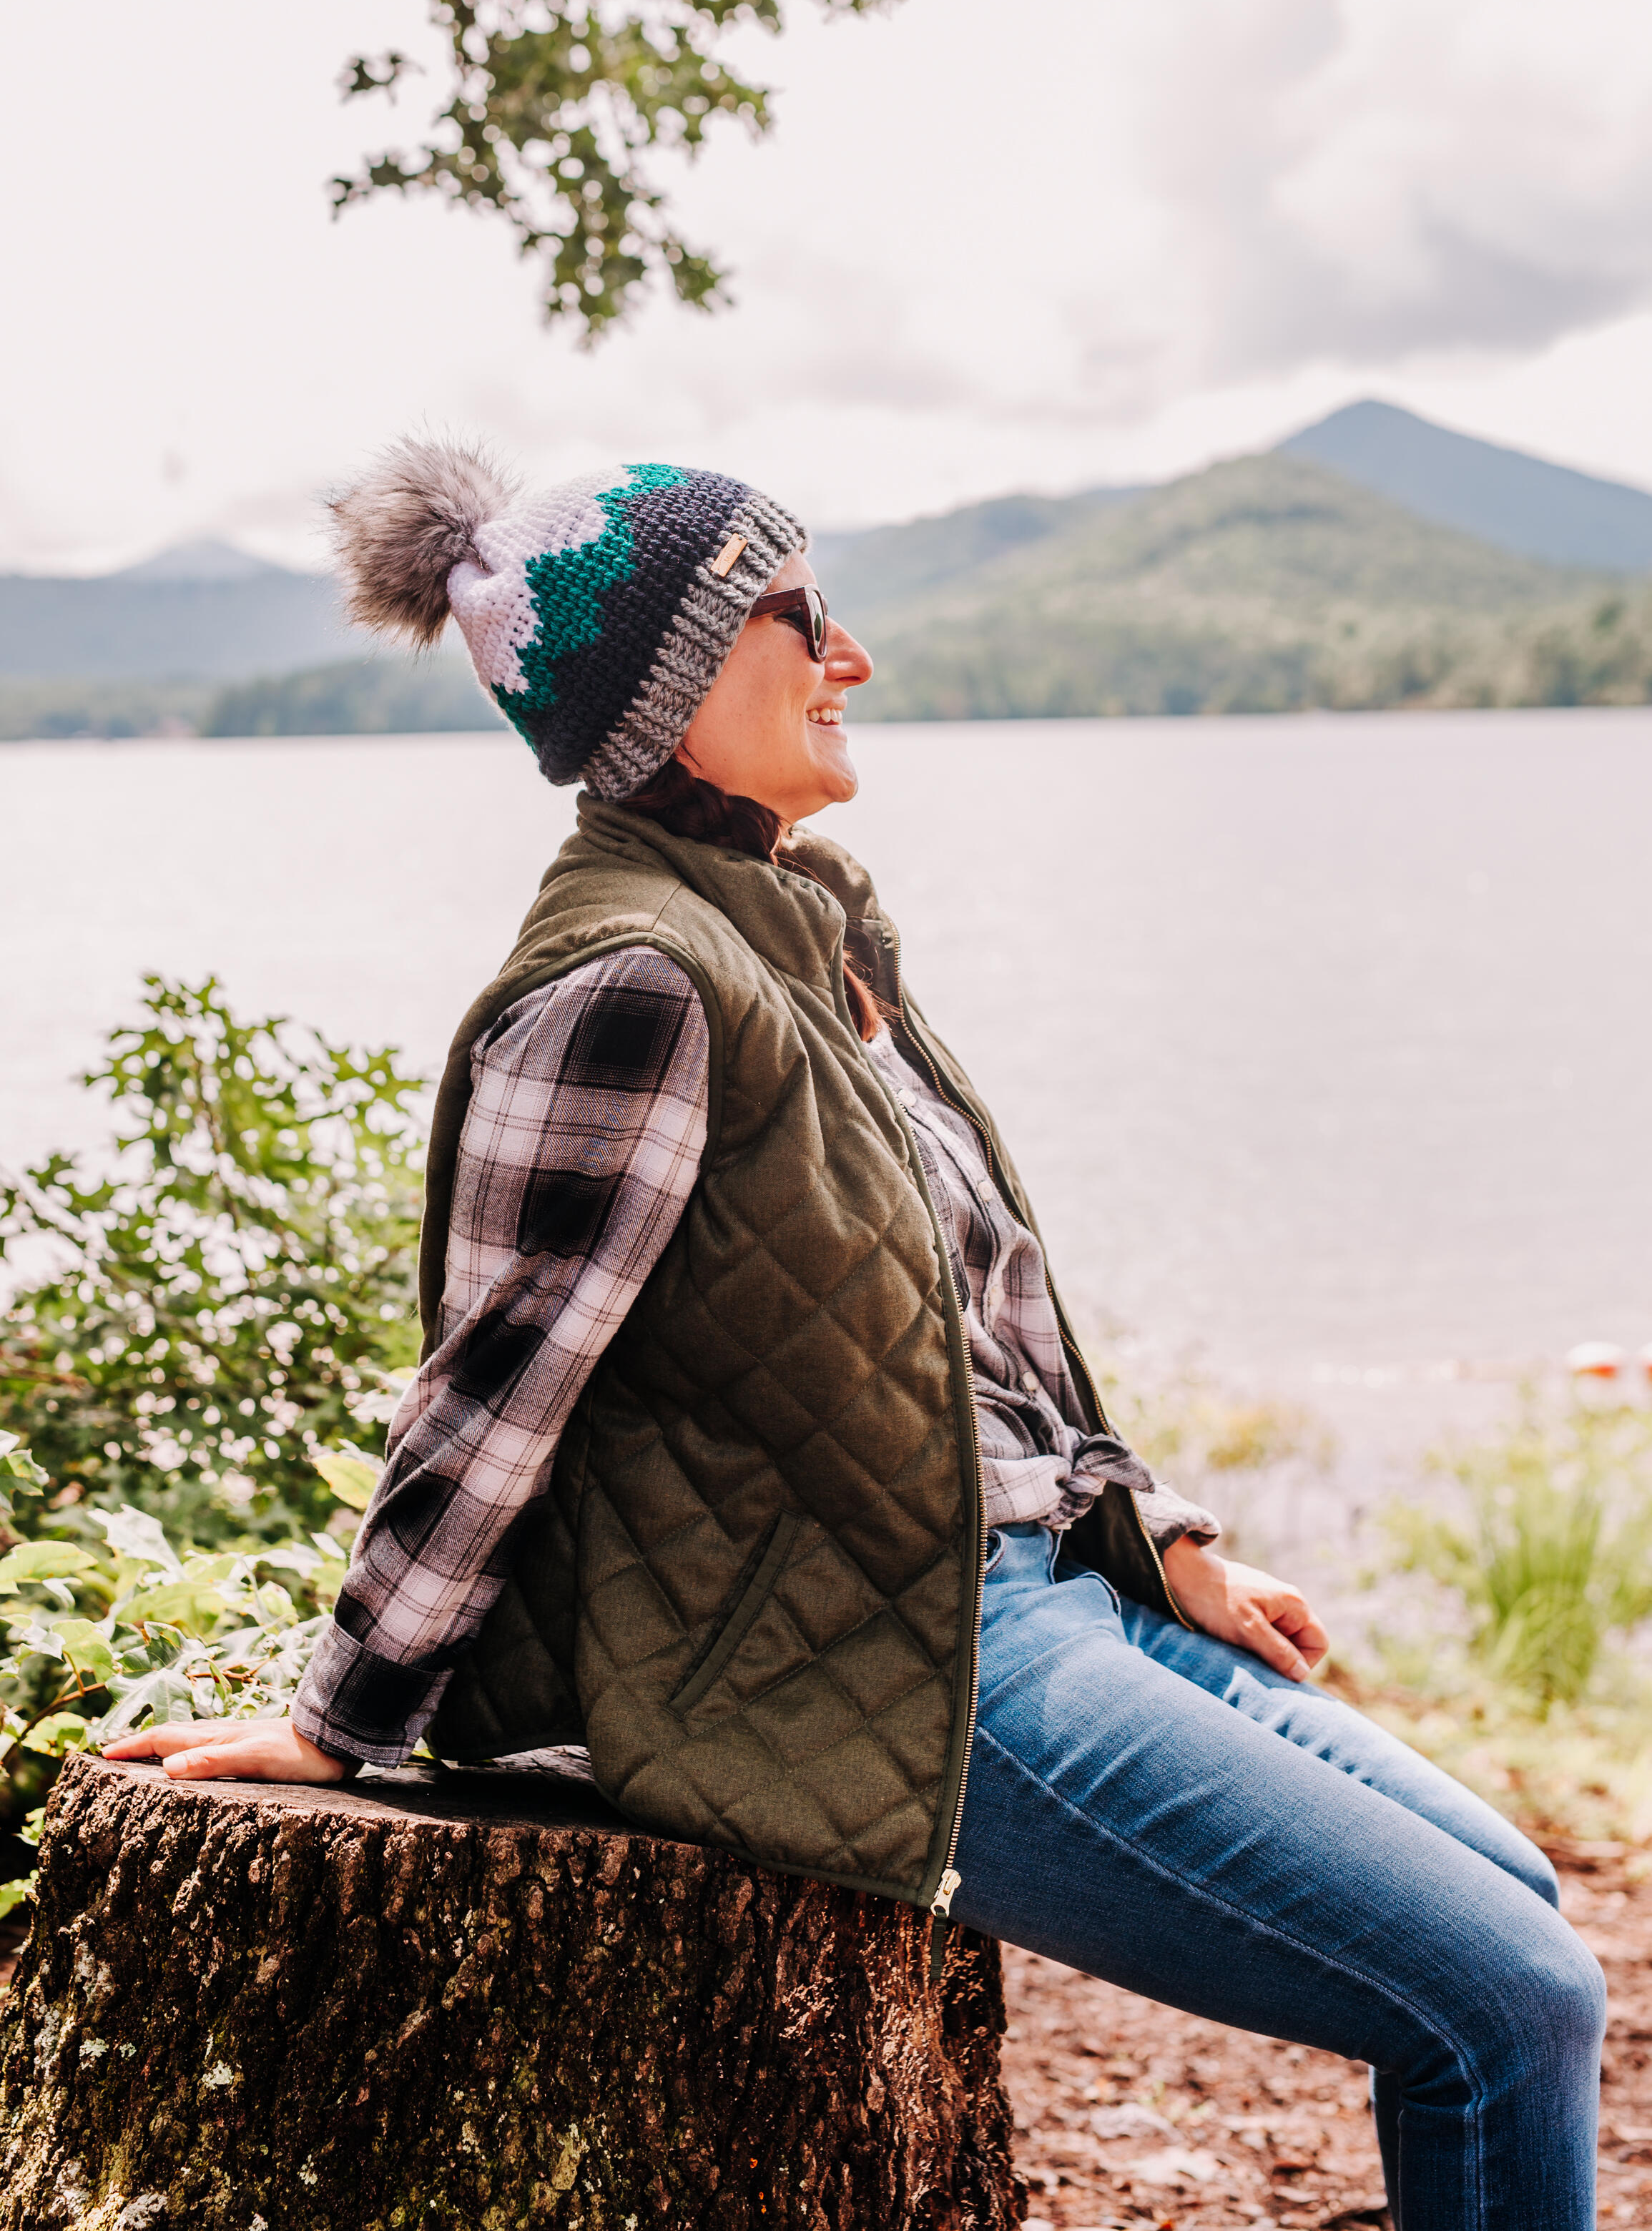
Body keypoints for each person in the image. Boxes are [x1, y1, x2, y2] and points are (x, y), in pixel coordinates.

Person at [110, 445, 1606, 2228]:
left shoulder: (806, 930)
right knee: (1514, 2009)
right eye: (799, 613)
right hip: (914, 1656)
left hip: (1049, 1591)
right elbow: (497, 1383)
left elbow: (974, 1327)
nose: (853, 655)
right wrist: (347, 1716)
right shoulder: (630, 984)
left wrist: (1159, 1533)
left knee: (1525, 1905)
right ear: (672, 685)